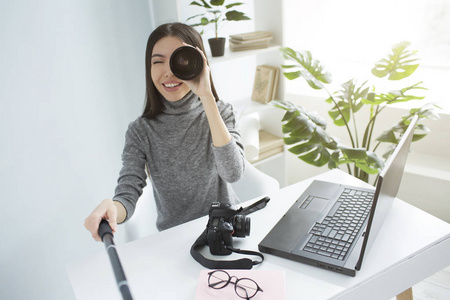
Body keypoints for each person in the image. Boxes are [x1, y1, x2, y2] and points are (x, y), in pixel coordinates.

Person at [84, 22, 245, 241]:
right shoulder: (140, 131)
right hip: (176, 241)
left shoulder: (221, 112)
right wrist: (111, 207)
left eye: (180, 61)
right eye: (158, 62)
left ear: (199, 64)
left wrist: (206, 96)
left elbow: (233, 173)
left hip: (226, 231)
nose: (168, 72)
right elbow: (128, 192)